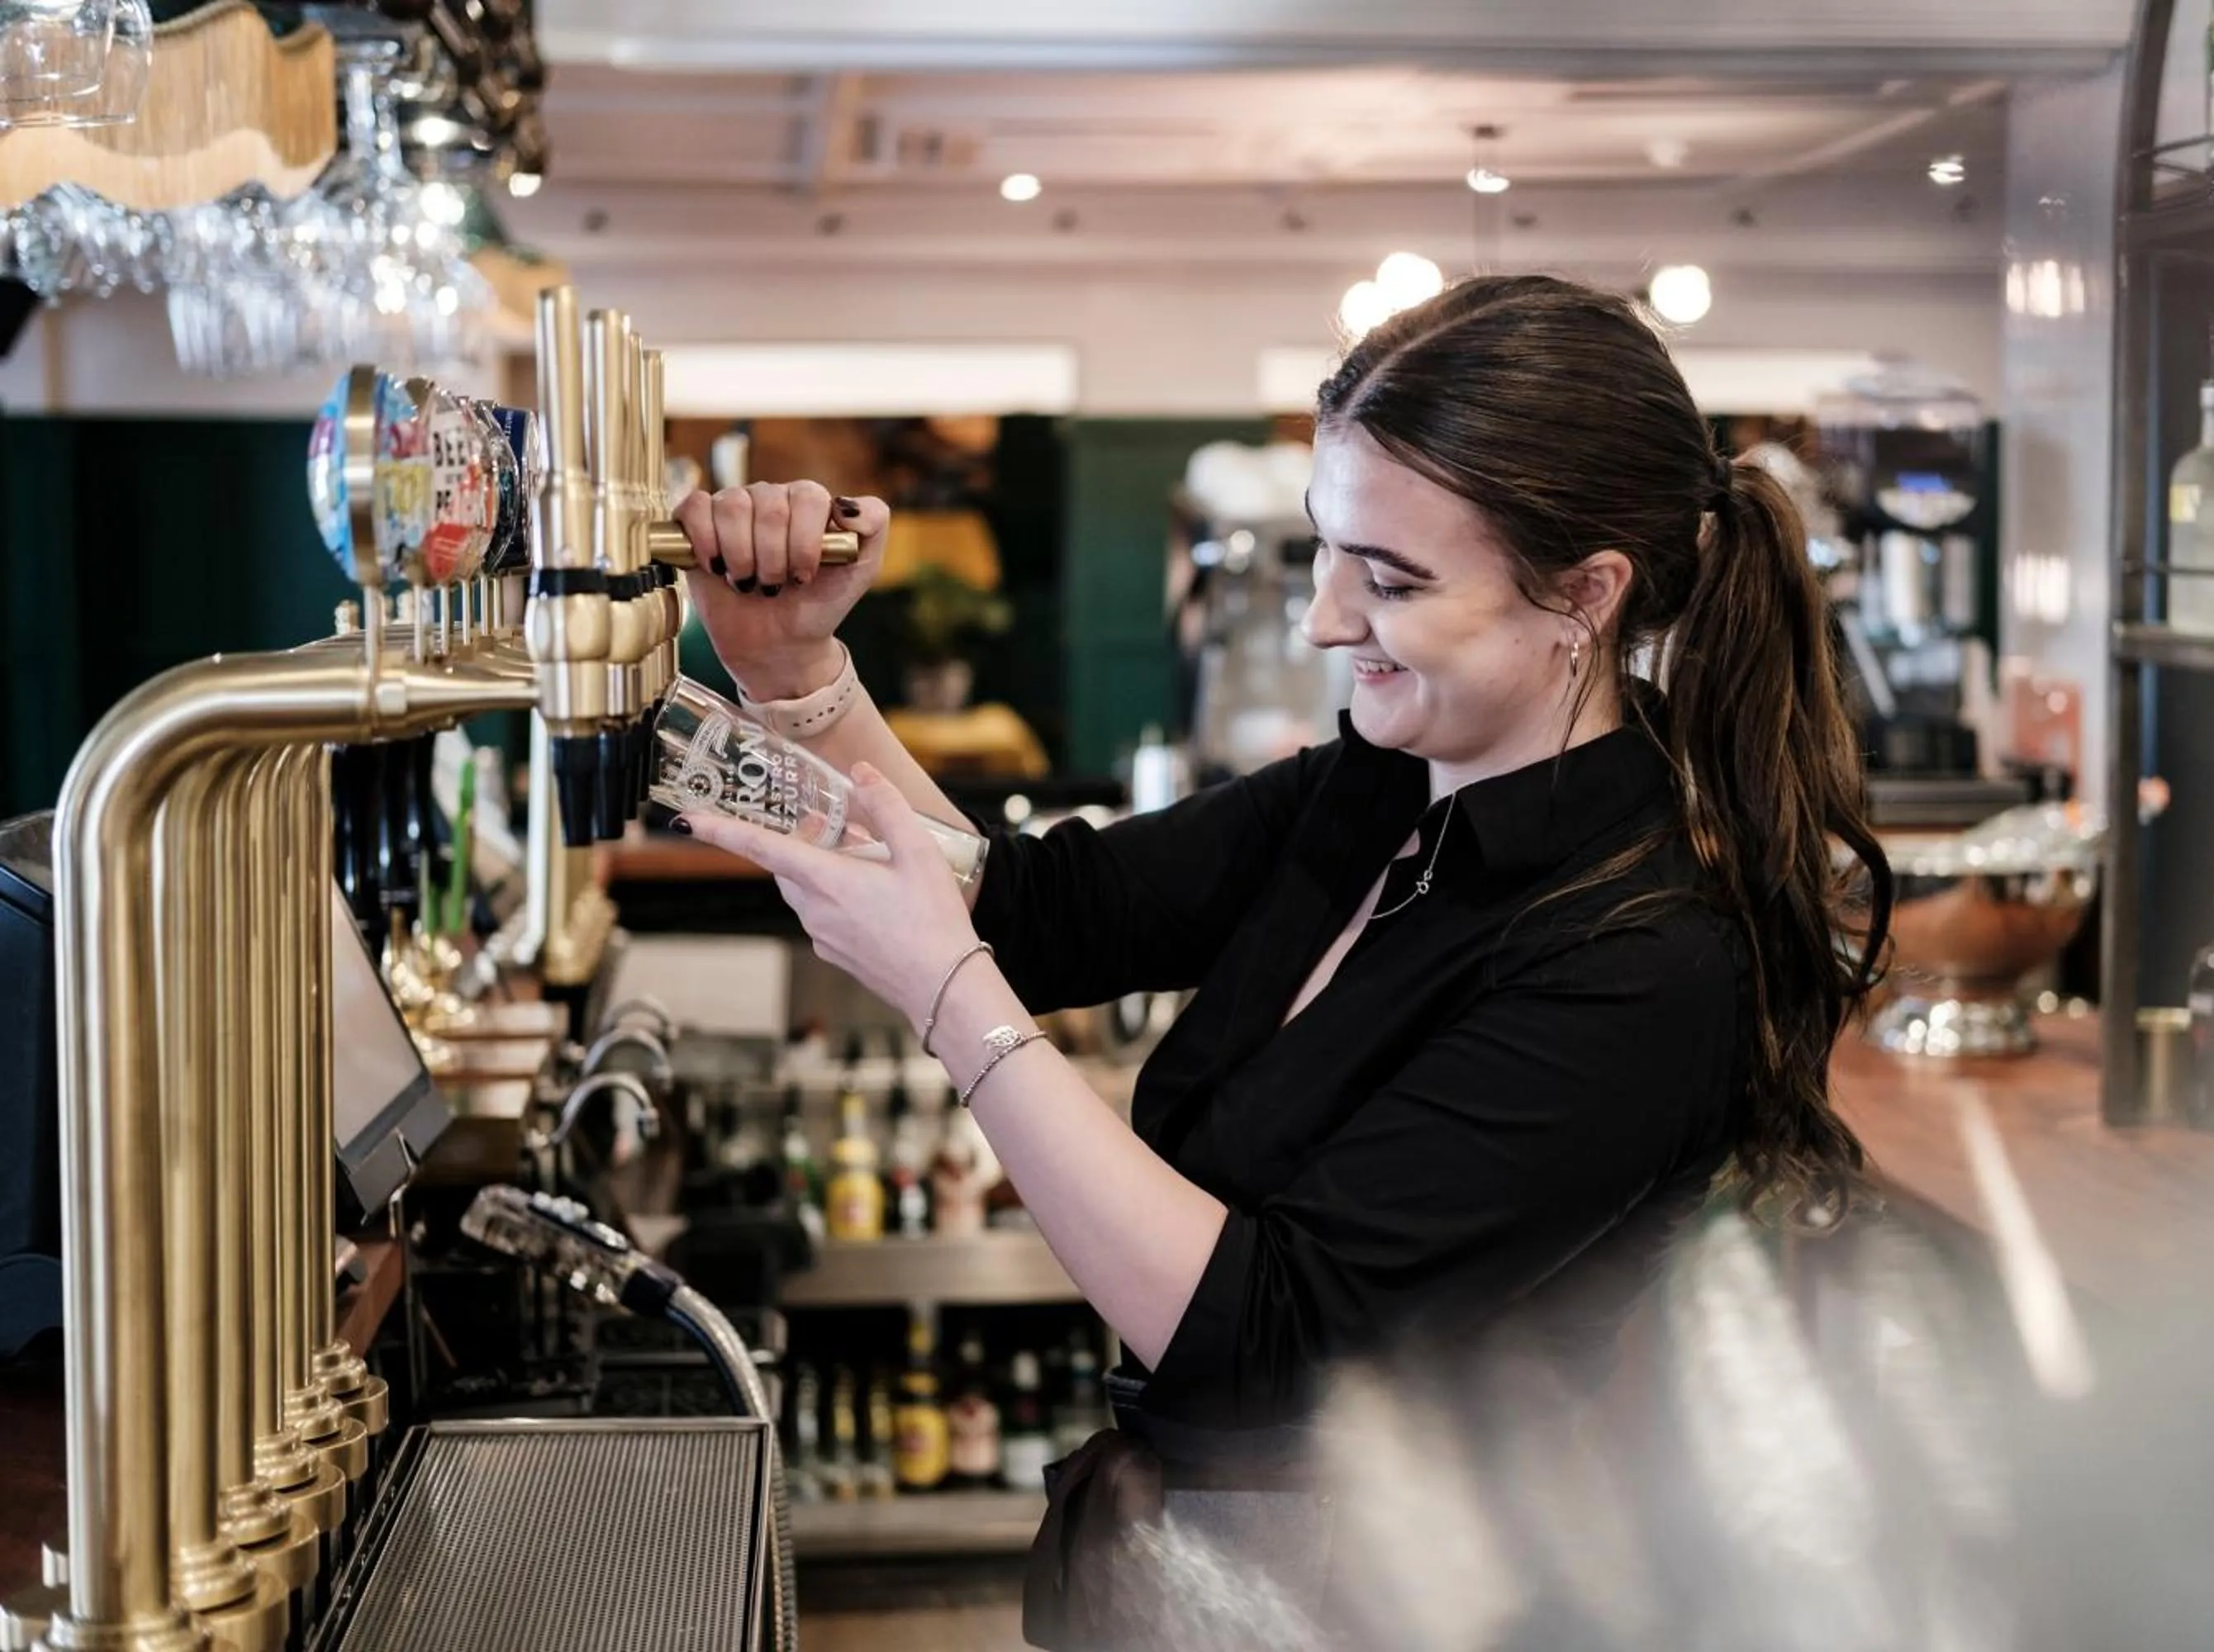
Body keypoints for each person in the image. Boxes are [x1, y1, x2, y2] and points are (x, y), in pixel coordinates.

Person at [670, 273, 1890, 1637]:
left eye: (1393, 579)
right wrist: (796, 675)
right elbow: (1040, 911)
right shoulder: (1375, 784)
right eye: (1328, 550)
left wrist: (949, 996)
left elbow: (1263, 1341)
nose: (1324, 619)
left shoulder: (1648, 950)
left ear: (1586, 596)